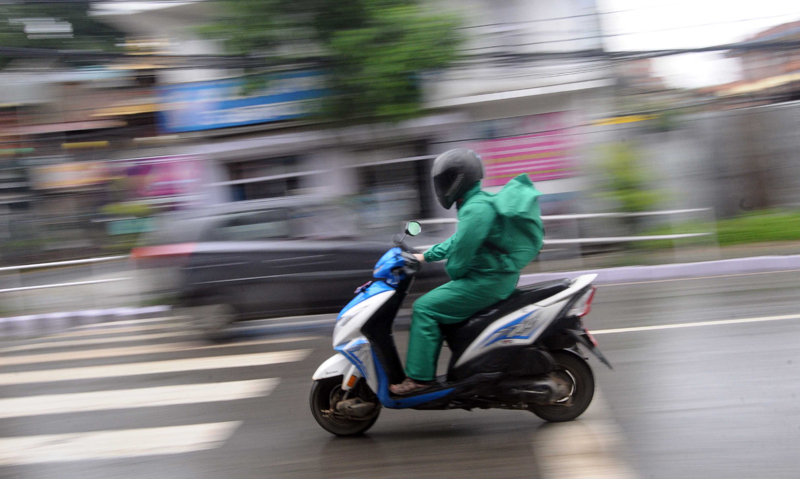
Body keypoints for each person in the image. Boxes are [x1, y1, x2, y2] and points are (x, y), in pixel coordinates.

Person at [390, 148, 544, 396]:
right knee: (440, 301)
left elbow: (459, 262)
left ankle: (419, 379)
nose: (441, 185)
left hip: (487, 281)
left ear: (458, 179)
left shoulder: (475, 209)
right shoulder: (477, 203)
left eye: (444, 179)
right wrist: (424, 256)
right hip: (494, 278)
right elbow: (458, 242)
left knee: (424, 308)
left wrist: (449, 270)